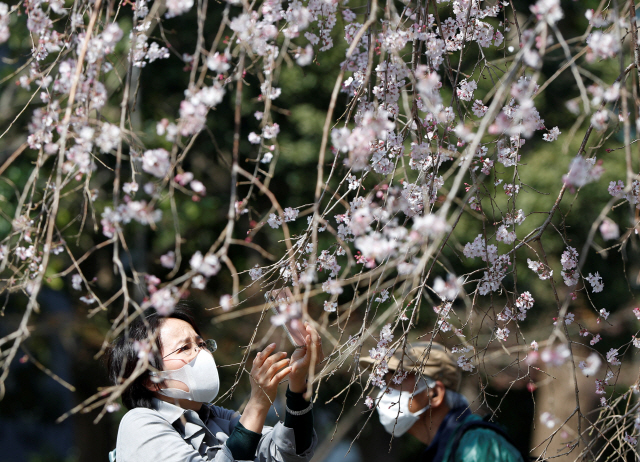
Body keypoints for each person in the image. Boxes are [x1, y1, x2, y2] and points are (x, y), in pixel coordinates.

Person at [106, 305, 322, 462]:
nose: (201, 352)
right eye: (184, 348)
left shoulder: (219, 419)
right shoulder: (139, 424)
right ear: (151, 379)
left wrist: (298, 383)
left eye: (201, 344)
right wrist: (257, 404)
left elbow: (289, 452)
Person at [361, 341, 525, 462]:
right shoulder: (447, 448)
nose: (384, 392)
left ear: (435, 394)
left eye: (396, 382)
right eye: (385, 382)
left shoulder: (477, 445)